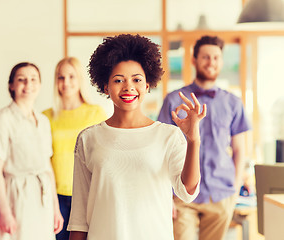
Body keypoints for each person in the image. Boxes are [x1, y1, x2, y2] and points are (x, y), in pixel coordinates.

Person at [68, 34, 206, 240]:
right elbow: (79, 216)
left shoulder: (168, 135)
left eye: (137, 79)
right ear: (105, 86)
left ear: (147, 85)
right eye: (118, 80)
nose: (128, 87)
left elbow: (187, 191)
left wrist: (193, 140)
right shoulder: (89, 139)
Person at [158, 35, 251, 240]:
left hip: (221, 194)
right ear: (194, 60)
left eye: (216, 58)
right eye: (206, 57)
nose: (211, 62)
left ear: (221, 61)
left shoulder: (233, 103)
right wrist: (166, 196)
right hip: (182, 194)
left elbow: (239, 150)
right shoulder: (174, 100)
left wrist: (234, 190)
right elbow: (162, 151)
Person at [0, 62, 63, 240]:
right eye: (21, 80)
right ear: (11, 85)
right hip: (16, 197)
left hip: (43, 197)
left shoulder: (43, 121)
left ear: (39, 84)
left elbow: (47, 167)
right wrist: (5, 212)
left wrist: (55, 208)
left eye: (33, 79)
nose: (28, 84)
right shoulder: (3, 119)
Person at [43, 57, 106, 240]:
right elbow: (44, 159)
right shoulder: (45, 117)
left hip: (87, 194)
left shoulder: (95, 113)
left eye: (71, 76)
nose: (66, 83)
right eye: (61, 77)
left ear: (80, 80)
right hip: (56, 197)